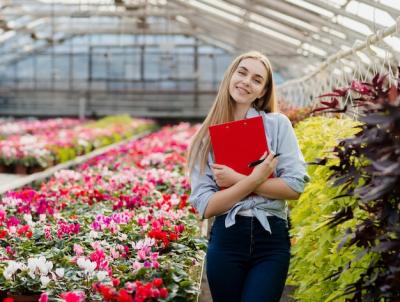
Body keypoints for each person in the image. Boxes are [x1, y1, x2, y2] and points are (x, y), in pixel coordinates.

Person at [186, 51, 309, 302]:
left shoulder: (277, 125)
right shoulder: (205, 139)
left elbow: (294, 187)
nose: (246, 81)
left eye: (256, 79)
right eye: (242, 72)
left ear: (262, 91)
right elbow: (206, 206)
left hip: (271, 241)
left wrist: (235, 179)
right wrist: (254, 179)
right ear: (230, 75)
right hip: (227, 240)